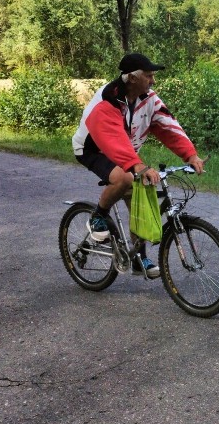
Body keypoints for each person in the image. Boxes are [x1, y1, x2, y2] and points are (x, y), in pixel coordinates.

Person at [72, 53, 205, 278]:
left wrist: (190, 155)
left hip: (125, 153)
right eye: (149, 75)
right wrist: (137, 165)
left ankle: (137, 257)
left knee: (142, 192)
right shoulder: (109, 99)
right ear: (132, 78)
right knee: (124, 178)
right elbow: (112, 137)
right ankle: (97, 216)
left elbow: (167, 124)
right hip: (93, 149)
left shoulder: (148, 98)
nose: (153, 80)